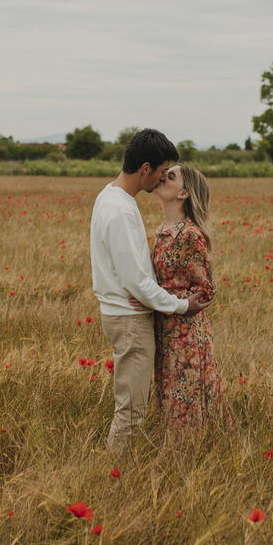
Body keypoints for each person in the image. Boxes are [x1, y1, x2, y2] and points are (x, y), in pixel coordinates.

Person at [90, 129, 209, 452]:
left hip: (126, 312)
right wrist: (182, 305)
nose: (159, 180)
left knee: (133, 406)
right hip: (130, 318)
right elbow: (137, 282)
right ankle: (114, 477)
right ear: (145, 168)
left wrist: (146, 293)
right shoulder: (120, 209)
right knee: (131, 411)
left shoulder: (110, 198)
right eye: (159, 172)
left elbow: (137, 279)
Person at [140, 164, 231, 430]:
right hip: (164, 326)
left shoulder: (190, 234)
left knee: (186, 397)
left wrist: (169, 300)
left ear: (183, 194)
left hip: (186, 334)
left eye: (171, 177)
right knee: (170, 394)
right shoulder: (162, 230)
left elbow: (207, 289)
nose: (162, 178)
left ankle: (193, 456)